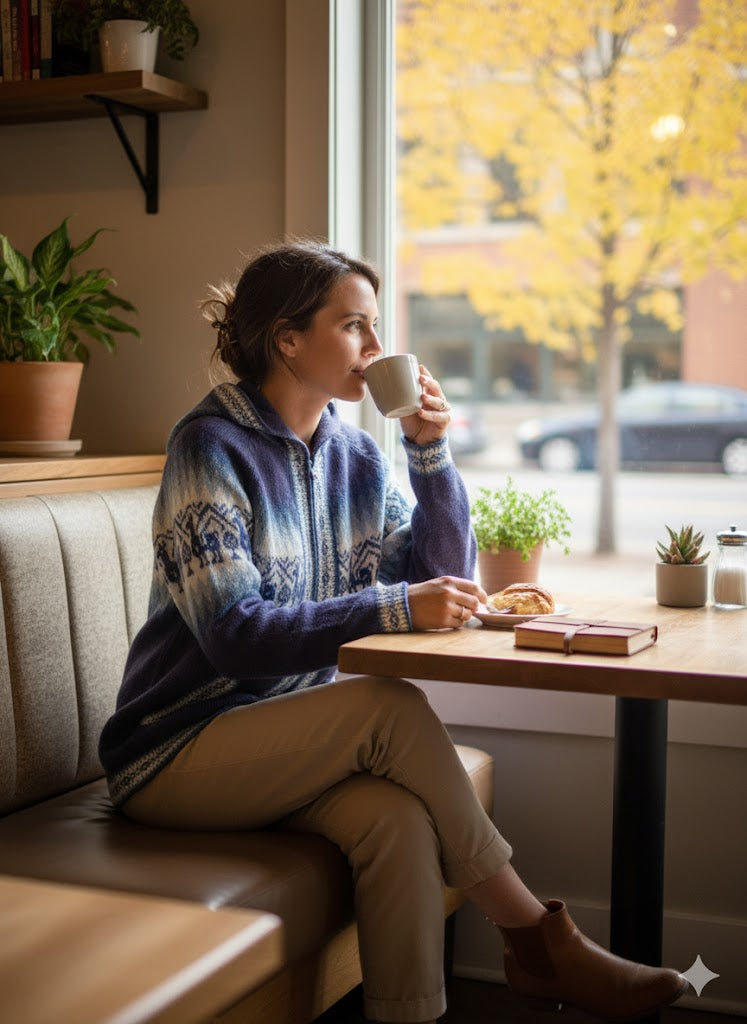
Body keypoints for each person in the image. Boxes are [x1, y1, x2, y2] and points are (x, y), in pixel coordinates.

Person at [98, 240, 686, 1024]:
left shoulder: (354, 457)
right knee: (387, 705)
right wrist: (392, 607)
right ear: (287, 340)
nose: (377, 350)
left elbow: (446, 570)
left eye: (376, 329)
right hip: (175, 747)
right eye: (355, 328)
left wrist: (429, 454)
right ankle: (538, 943)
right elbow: (235, 634)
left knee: (397, 823)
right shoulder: (209, 447)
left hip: (283, 738)